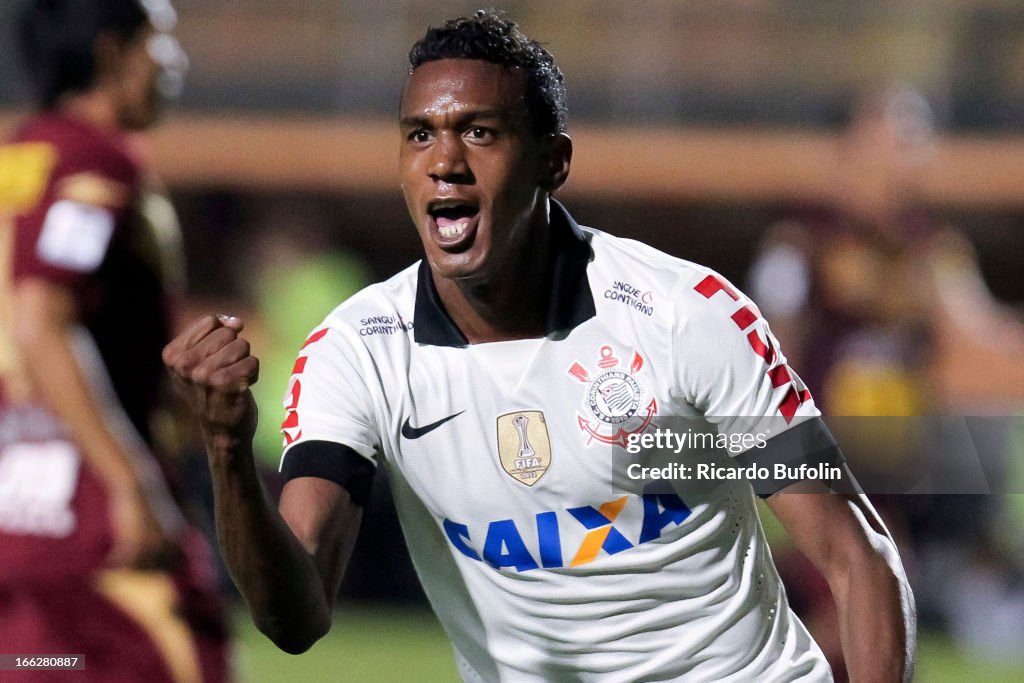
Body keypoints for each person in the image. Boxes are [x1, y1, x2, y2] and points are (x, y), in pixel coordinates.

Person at [165, 11, 914, 682]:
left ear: (553, 161)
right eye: (420, 133)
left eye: (480, 132)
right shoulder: (359, 351)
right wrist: (228, 451)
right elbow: (294, 618)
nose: (444, 160)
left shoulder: (686, 317)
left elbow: (858, 557)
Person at [0, 1, 227, 681]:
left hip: (18, 524)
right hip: (99, 539)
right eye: (160, 41)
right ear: (110, 53)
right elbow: (42, 315)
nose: (174, 62)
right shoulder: (95, 158)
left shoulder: (18, 156)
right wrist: (129, 481)